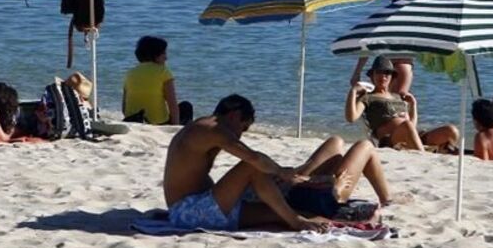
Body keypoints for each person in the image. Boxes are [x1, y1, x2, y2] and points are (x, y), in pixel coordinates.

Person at [163, 94, 403, 233]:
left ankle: (297, 217)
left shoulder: (202, 127)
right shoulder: (215, 129)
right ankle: (296, 221)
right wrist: (284, 173)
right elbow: (253, 158)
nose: (241, 135)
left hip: (198, 207)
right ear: (234, 116)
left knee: (277, 211)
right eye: (243, 128)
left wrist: (285, 174)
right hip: (191, 211)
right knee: (252, 167)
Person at [345, 57, 459, 152]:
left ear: (392, 77)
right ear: (372, 76)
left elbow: (412, 126)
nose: (383, 76)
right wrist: (353, 92)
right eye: (379, 72)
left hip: (412, 136)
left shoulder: (397, 97)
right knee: (406, 125)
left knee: (451, 131)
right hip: (391, 140)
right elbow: (351, 118)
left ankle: (440, 150)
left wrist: (413, 105)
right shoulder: (368, 97)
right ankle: (424, 156)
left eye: (387, 73)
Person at [123, 36, 192, 125]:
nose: (166, 58)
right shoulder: (163, 71)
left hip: (132, 121)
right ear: (155, 55)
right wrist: (175, 127)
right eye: (163, 53)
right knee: (186, 106)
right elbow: (172, 105)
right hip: (157, 123)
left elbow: (124, 108)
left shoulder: (129, 73)